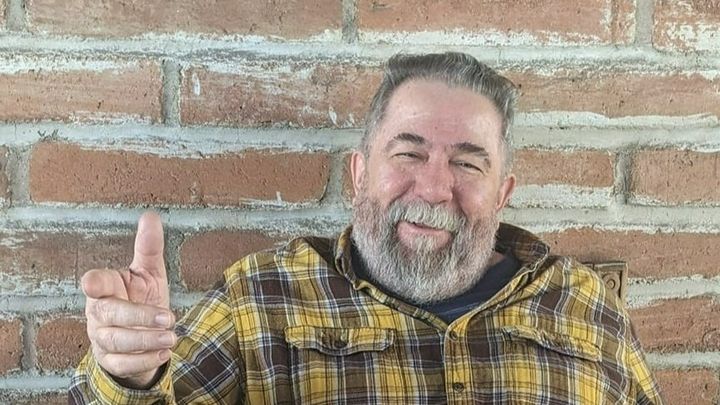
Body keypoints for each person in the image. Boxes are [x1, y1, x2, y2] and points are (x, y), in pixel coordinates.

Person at [69, 52, 663, 404]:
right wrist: (131, 378)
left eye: (467, 163)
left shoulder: (586, 307)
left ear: (503, 192)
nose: (434, 188)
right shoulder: (260, 299)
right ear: (359, 173)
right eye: (408, 153)